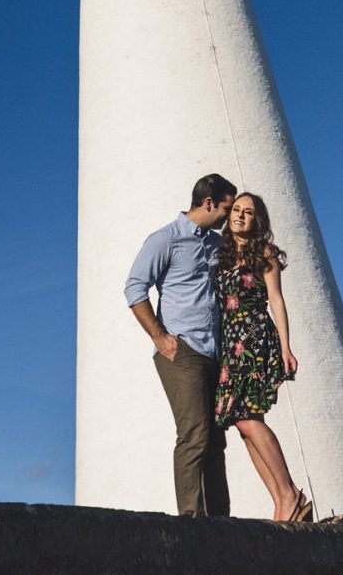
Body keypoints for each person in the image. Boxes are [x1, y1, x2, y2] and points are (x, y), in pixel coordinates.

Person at [125, 173, 237, 517]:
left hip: (214, 353)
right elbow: (134, 288)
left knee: (216, 441)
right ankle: (191, 523)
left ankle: (221, 523)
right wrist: (159, 336)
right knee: (195, 436)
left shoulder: (217, 245)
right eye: (226, 209)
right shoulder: (165, 240)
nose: (228, 218)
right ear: (208, 203)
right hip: (182, 351)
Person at [215, 192, 312, 522]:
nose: (241, 216)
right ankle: (282, 500)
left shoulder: (265, 253)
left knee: (247, 418)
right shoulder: (221, 256)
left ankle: (291, 495)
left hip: (255, 340)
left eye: (249, 212)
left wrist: (285, 346)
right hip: (231, 346)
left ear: (258, 220)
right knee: (243, 426)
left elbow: (276, 300)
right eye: (237, 210)